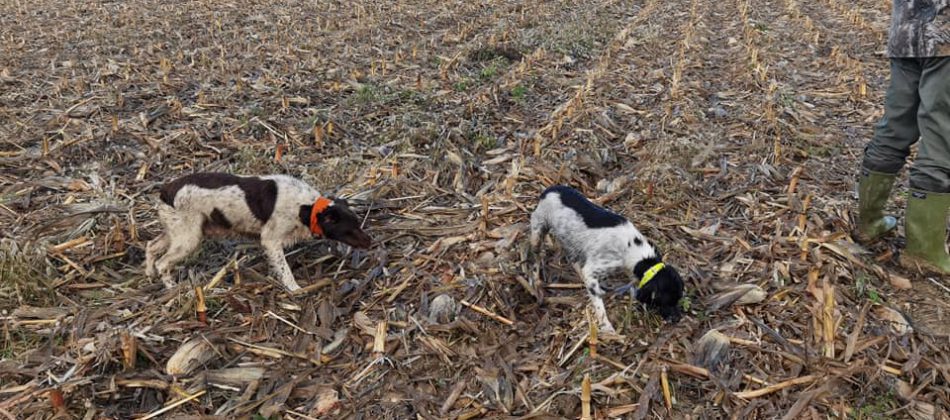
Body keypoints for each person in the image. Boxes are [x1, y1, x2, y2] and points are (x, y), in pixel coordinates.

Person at [856, 1, 949, 275]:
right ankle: (924, 251)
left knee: (894, 127)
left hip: (905, 34)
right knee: (941, 139)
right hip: (944, 38)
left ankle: (868, 223)